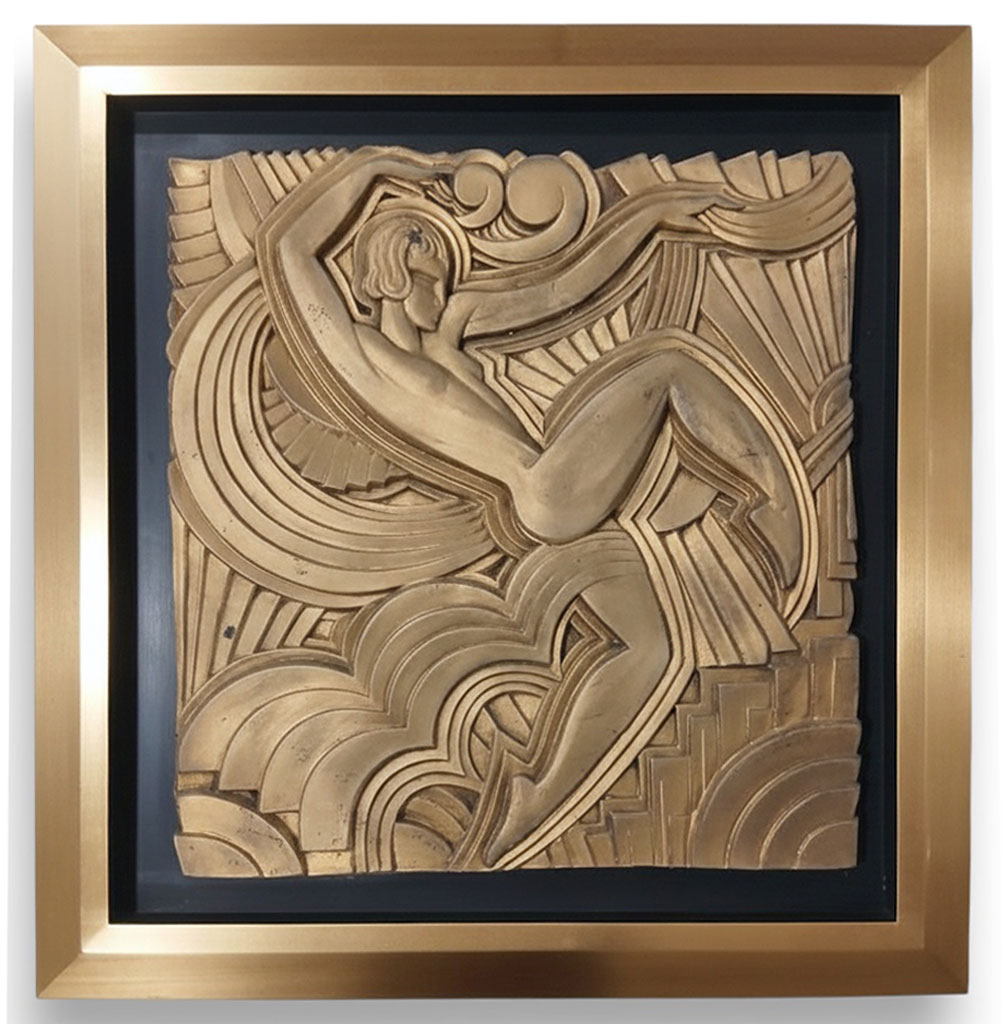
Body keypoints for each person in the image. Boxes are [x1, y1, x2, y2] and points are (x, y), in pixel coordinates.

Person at [256, 148, 802, 865]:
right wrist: (379, 165)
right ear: (387, 267)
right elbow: (287, 249)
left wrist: (650, 216)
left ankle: (530, 808)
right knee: (668, 364)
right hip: (544, 491)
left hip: (554, 516)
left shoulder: (448, 335)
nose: (445, 282)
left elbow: (564, 286)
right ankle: (773, 499)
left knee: (654, 649)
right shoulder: (362, 359)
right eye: (427, 267)